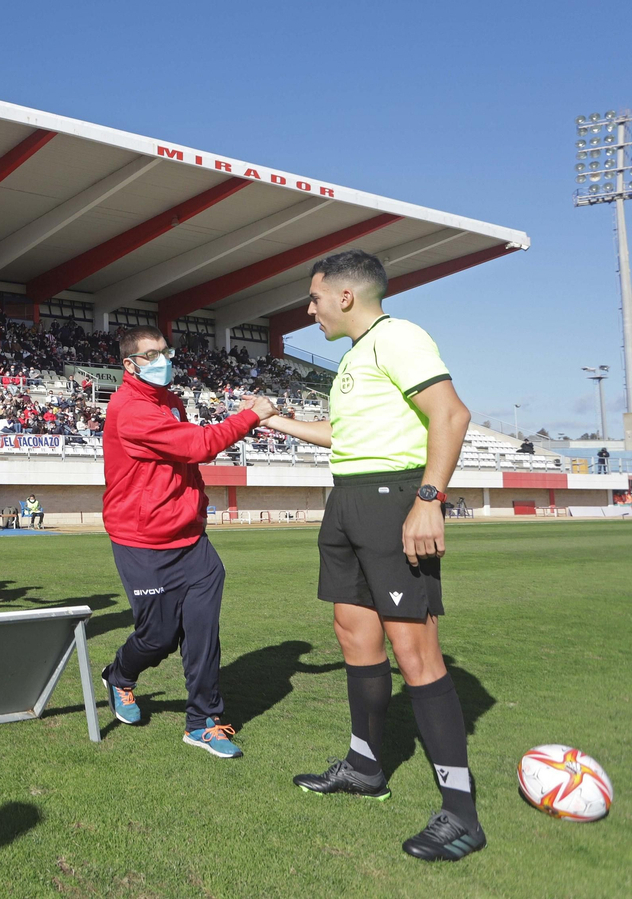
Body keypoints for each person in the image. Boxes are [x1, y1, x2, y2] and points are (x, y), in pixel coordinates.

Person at [257, 249, 485, 861]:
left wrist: (429, 500)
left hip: (394, 501)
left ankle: (460, 812)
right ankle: (364, 766)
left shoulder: (399, 337)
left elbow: (451, 413)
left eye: (314, 298)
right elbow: (344, 437)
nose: (309, 309)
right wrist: (278, 423)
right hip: (348, 500)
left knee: (414, 652)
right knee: (353, 635)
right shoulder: (354, 358)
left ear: (346, 296)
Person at [98, 324, 266, 760]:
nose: (164, 360)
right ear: (129, 365)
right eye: (152, 354)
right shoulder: (130, 409)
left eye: (165, 351)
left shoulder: (169, 400)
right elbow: (197, 447)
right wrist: (251, 415)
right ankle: (119, 675)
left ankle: (203, 722)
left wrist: (196, 506)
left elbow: (183, 465)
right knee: (158, 638)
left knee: (203, 634)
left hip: (192, 541)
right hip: (143, 540)